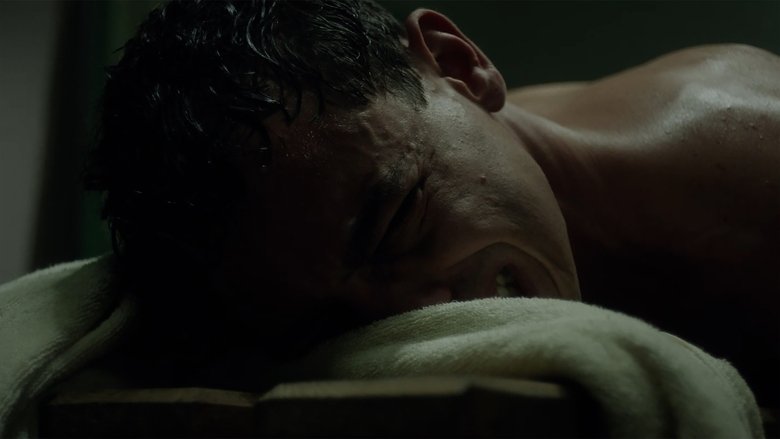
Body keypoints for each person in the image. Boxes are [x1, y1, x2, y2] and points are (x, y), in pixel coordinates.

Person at [84, 0, 779, 404]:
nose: (422, 319)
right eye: (331, 325)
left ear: (457, 66)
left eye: (397, 220)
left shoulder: (745, 175)